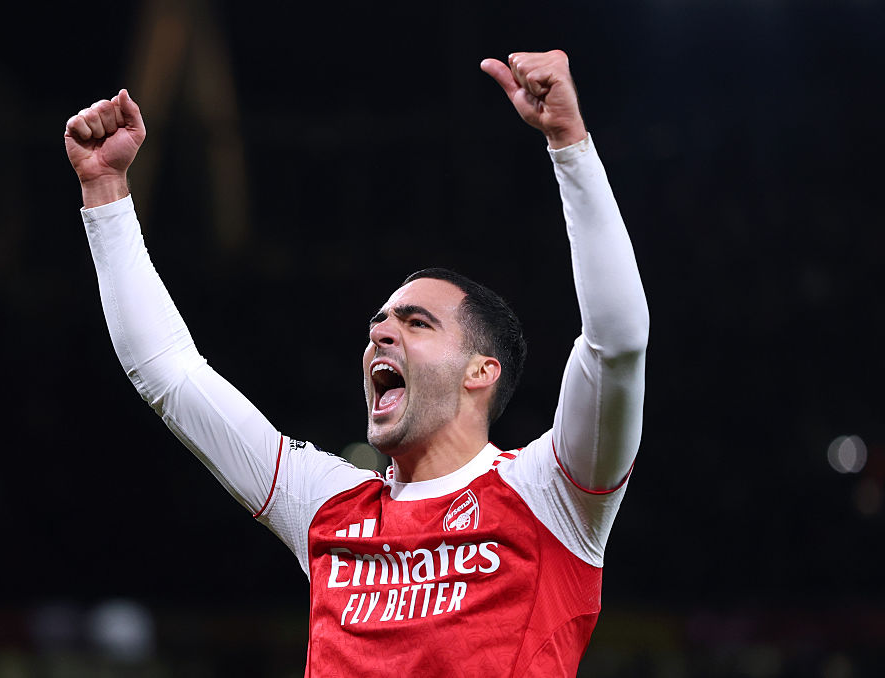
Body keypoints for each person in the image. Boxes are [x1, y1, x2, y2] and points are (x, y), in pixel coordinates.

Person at [65, 50, 648, 677]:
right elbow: (169, 374)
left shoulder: (550, 496)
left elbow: (615, 346)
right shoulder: (325, 506)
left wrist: (568, 142)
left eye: (416, 322)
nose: (381, 333)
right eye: (379, 323)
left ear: (482, 370)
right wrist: (105, 193)